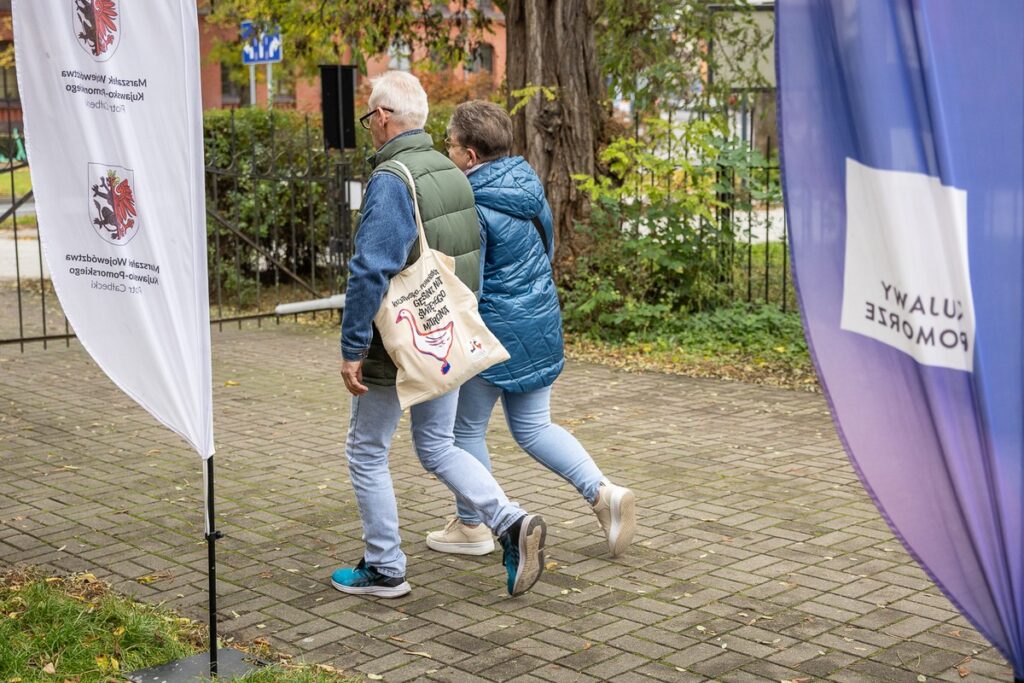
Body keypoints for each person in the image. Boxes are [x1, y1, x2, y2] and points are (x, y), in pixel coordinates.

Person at [332, 73, 546, 599]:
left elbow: (369, 269)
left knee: (366, 450)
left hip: (396, 342)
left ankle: (385, 567)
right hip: (443, 333)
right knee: (437, 444)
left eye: (369, 118)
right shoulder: (454, 173)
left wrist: (352, 346)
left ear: (383, 117)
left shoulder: (391, 178)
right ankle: (511, 521)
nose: (369, 127)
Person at [425, 101, 636, 558]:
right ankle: (604, 494)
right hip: (539, 318)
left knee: (464, 434)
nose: (448, 151)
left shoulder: (472, 203)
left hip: (495, 332)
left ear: (470, 157)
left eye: (451, 144)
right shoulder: (528, 185)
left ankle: (473, 525)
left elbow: (468, 281)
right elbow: (547, 246)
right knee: (535, 427)